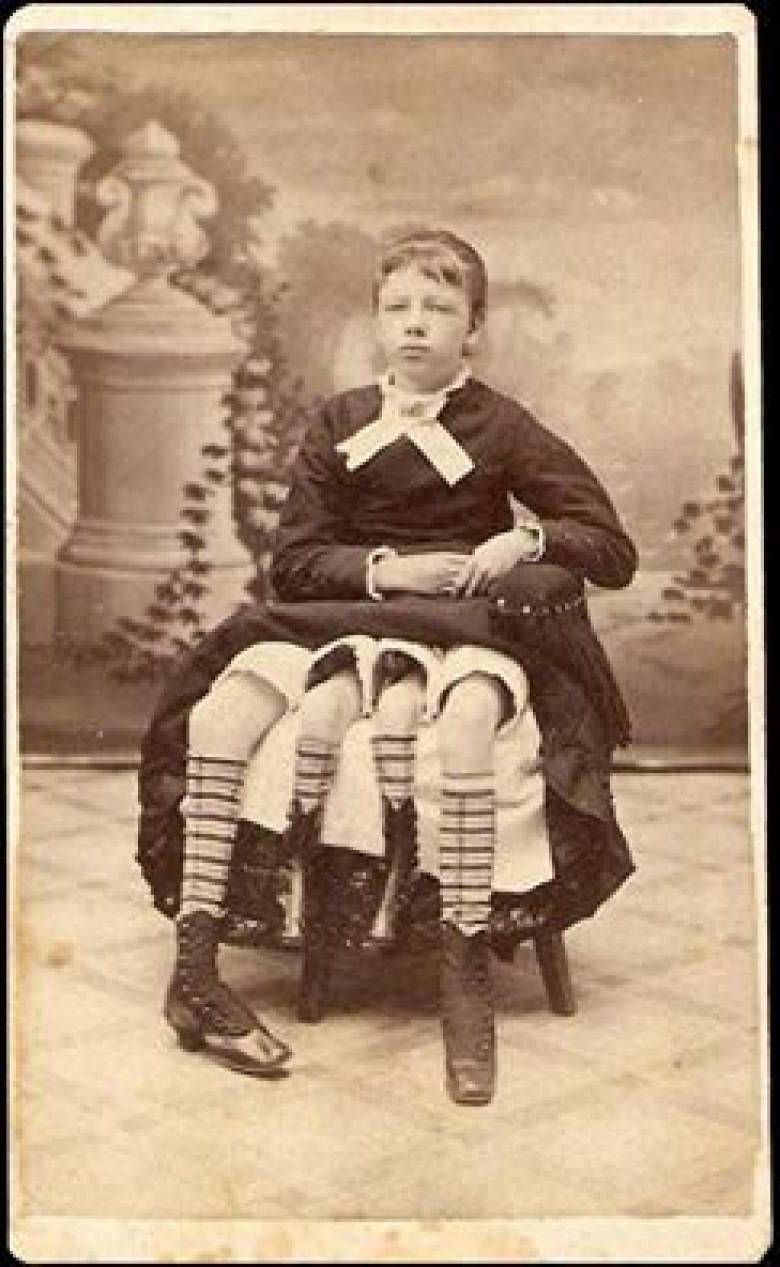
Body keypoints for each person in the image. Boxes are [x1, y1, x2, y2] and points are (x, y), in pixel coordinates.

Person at [137, 227, 638, 1103]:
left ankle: (464, 974)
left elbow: (609, 548)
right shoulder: (340, 421)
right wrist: (386, 569)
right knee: (219, 715)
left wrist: (523, 540)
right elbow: (294, 563)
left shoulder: (501, 424)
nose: (415, 323)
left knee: (471, 722)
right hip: (338, 616)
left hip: (459, 629)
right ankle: (196, 977)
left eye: (438, 308)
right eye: (398, 306)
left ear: (472, 327)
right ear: (376, 321)